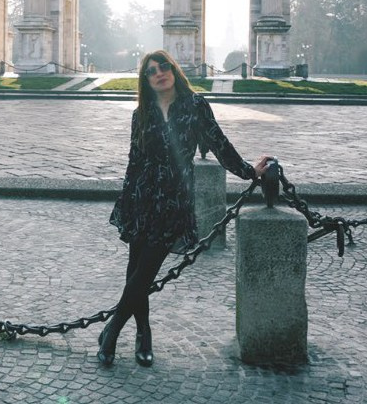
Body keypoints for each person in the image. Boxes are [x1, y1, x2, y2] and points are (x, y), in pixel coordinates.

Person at [100, 50, 273, 368]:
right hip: (141, 199)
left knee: (145, 272)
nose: (159, 73)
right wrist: (126, 204)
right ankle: (143, 334)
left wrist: (250, 172)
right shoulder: (142, 114)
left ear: (174, 70)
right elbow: (134, 162)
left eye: (164, 66)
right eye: (151, 71)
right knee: (136, 273)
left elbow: (219, 144)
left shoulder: (195, 105)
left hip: (174, 202)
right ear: (146, 81)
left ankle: (111, 331)